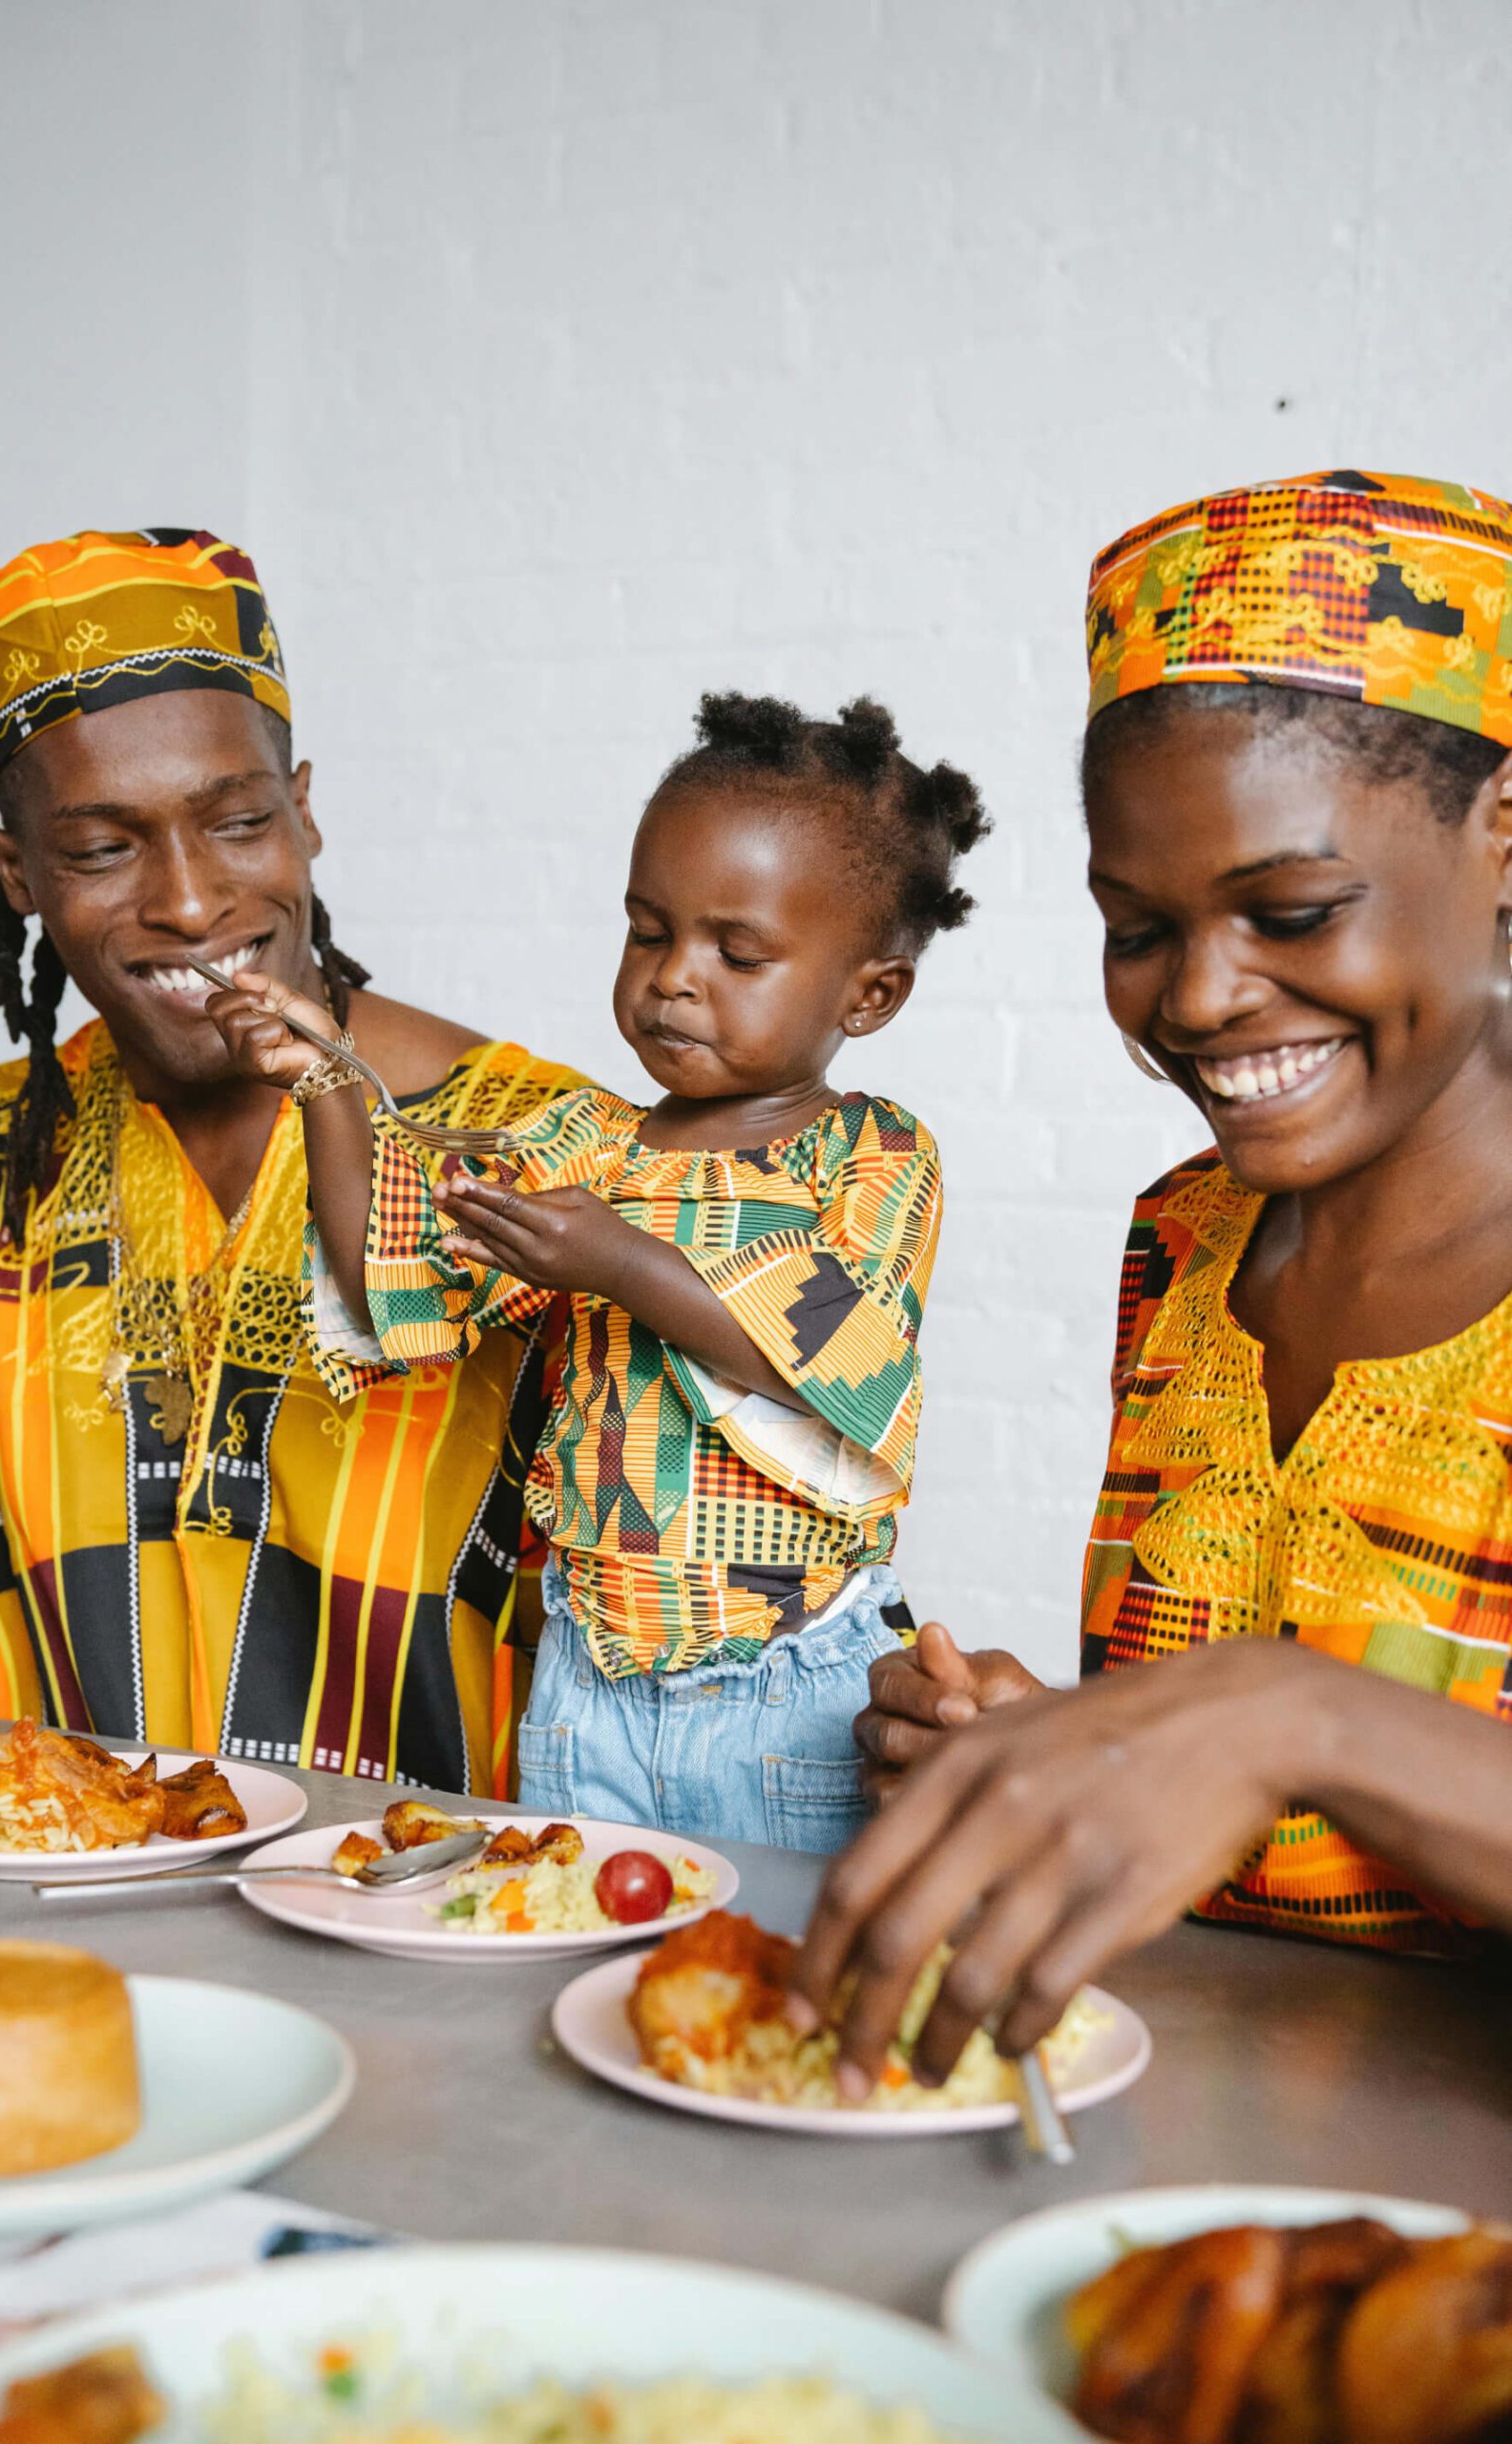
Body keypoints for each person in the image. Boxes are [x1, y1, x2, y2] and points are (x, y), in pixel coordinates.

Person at [794, 469, 1512, 2087]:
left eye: (1294, 910)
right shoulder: (1188, 1243)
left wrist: (1285, 1719)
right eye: (1137, 926)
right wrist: (1063, 1752)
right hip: (1188, 2158)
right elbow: (1266, 1843)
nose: (1196, 999)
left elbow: (1294, 1731)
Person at [210, 691, 989, 1848]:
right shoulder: (585, 1146)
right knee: (575, 1957)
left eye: (739, 951)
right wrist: (326, 1083)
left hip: (787, 1693)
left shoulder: (873, 1154)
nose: (675, 976)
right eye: (648, 930)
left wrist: (618, 1261)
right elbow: (390, 1282)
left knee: (779, 1985)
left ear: (868, 993)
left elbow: (838, 1369)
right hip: (585, 1691)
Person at [0, 527, 583, 1790]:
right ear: (18, 872)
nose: (193, 901)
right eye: (103, 847)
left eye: (239, 821)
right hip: (67, 1895)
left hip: (451, 1919)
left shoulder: (533, 1145)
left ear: (303, 814)